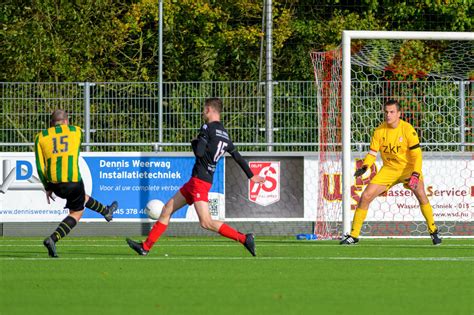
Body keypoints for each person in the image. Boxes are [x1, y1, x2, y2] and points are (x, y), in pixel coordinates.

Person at [126, 98, 266, 256]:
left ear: (209, 110)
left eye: (204, 109)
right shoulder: (225, 134)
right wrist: (251, 176)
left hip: (199, 181)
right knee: (166, 210)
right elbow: (237, 157)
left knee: (206, 222)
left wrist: (194, 142)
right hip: (199, 181)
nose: (202, 112)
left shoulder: (207, 127)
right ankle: (145, 247)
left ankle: (244, 238)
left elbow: (199, 152)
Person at [340, 99, 441, 245]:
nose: (388, 115)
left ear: (399, 114)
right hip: (388, 170)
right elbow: (372, 153)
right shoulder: (379, 131)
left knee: (421, 194)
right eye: (386, 112)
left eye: (392, 112)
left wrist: (416, 174)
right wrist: (365, 166)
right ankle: (354, 235)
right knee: (366, 196)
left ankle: (433, 231)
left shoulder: (408, 130)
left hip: (408, 169)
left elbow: (417, 156)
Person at [34, 109, 118, 257]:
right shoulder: (76, 131)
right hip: (73, 180)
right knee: (77, 212)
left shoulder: (40, 138)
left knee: (81, 197)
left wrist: (47, 187)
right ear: (66, 121)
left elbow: (40, 166)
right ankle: (52, 239)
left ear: (51, 124)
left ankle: (106, 211)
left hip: (55, 184)